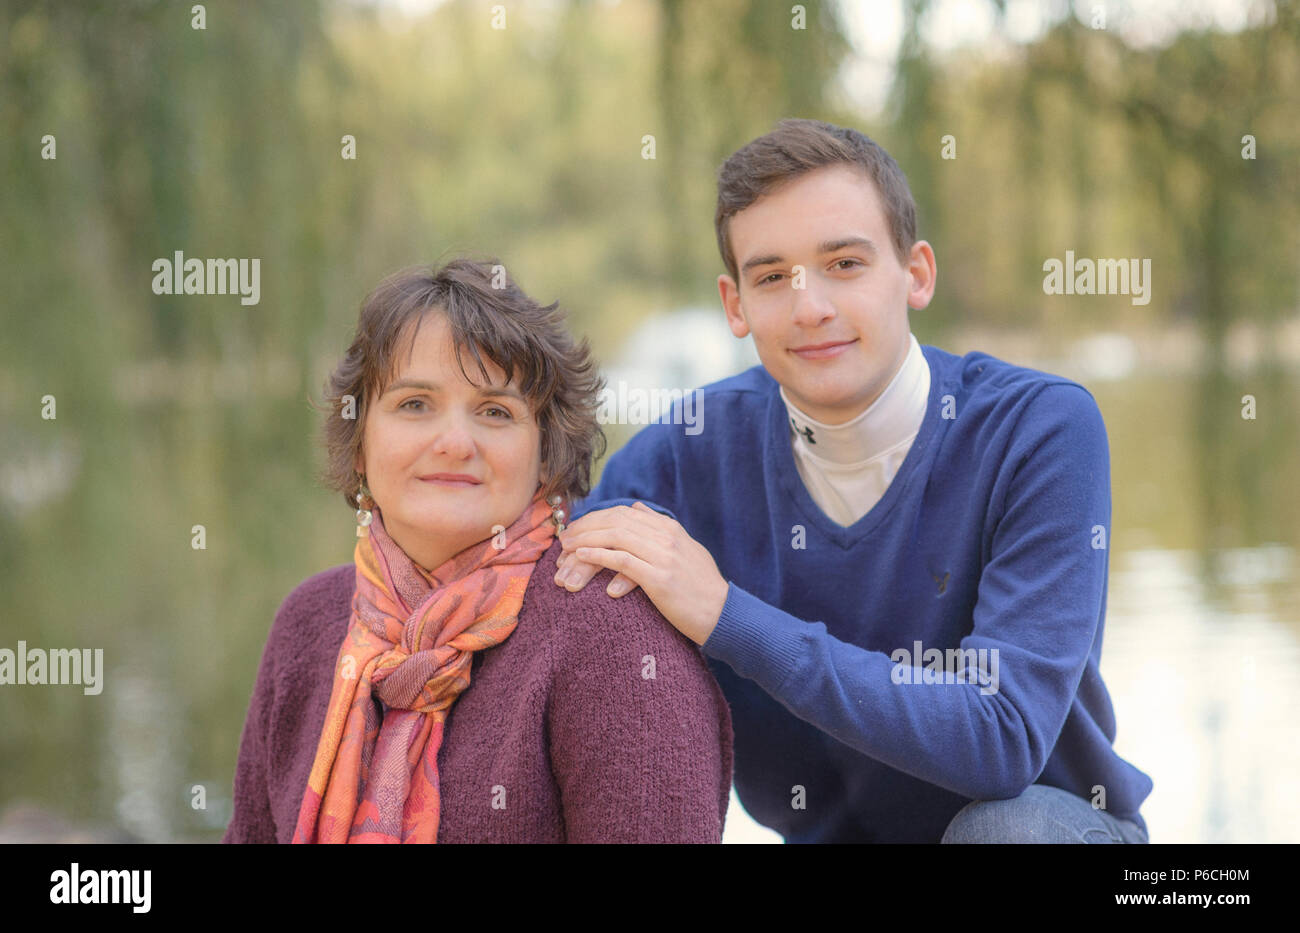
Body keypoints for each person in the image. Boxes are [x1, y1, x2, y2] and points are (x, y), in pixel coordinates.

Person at [553, 118, 1153, 843]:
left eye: (845, 263)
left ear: (916, 273)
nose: (811, 307)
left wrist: (726, 615)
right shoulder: (687, 453)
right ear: (735, 304)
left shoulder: (1040, 429)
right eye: (773, 276)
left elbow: (1003, 740)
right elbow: (546, 592)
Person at [222, 258, 732, 843]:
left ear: (546, 455)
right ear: (360, 441)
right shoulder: (309, 622)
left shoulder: (612, 631)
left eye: (495, 412)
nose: (454, 442)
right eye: (415, 404)